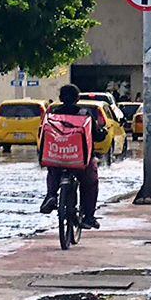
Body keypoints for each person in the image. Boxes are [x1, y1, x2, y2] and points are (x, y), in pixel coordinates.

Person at [39, 84, 106, 229]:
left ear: (60, 98)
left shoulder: (53, 115)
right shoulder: (84, 115)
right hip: (80, 161)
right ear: (77, 98)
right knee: (91, 183)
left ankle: (51, 195)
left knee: (53, 172)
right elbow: (97, 136)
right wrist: (102, 133)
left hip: (56, 158)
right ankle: (88, 217)